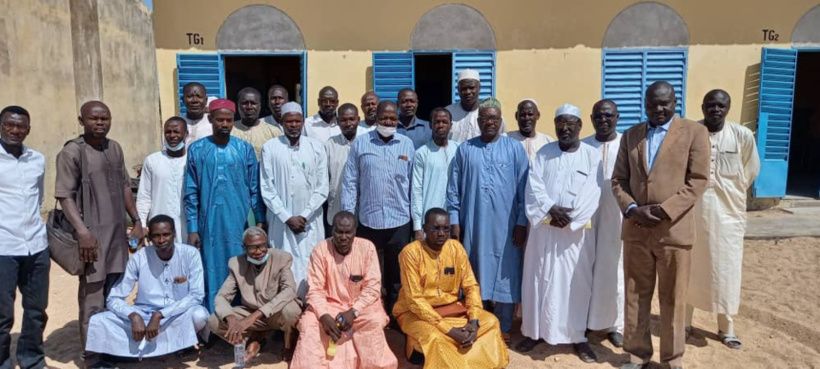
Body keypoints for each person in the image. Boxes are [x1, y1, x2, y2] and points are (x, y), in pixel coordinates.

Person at [612, 81, 709, 369]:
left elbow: (698, 181)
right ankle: (637, 354)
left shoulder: (695, 132)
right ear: (645, 103)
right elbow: (618, 179)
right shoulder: (631, 135)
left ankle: (672, 360)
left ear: (675, 102)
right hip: (637, 231)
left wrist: (665, 211)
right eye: (653, 103)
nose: (658, 108)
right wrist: (631, 208)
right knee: (635, 296)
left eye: (664, 103)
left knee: (673, 300)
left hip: (673, 232)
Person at [55, 100, 145, 367]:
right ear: (81, 120)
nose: (100, 123)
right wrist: (82, 232)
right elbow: (64, 196)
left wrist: (137, 220)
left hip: (117, 236)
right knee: (93, 296)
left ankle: (113, 347)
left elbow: (126, 187)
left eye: (105, 118)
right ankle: (92, 355)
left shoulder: (114, 148)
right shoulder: (72, 152)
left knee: (115, 294)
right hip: (92, 238)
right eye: (94, 118)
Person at [516, 104, 601, 362]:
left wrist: (571, 219)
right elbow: (533, 187)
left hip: (574, 236)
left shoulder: (591, 155)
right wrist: (550, 211)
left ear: (579, 126)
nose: (564, 128)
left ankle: (577, 336)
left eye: (570, 123)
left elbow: (593, 193)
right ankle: (534, 332)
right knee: (538, 279)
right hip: (545, 231)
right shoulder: (543, 154)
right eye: (560, 123)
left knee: (576, 284)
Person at [447, 99, 528, 342]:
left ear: (501, 120)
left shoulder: (514, 149)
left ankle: (503, 326)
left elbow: (525, 189)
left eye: (494, 118)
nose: (489, 122)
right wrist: (454, 220)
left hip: (507, 227)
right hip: (473, 225)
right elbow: (453, 190)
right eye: (484, 119)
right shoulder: (465, 150)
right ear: (478, 121)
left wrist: (522, 222)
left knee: (506, 271)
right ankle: (477, 322)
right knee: (474, 272)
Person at [686, 89, 760, 349]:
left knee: (726, 271)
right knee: (690, 267)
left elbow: (749, 171)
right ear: (703, 106)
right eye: (711, 105)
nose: (715, 110)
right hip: (693, 213)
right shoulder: (691, 132)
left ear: (728, 108)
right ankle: (684, 323)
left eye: (721, 105)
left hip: (728, 216)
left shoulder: (742, 135)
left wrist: (726, 193)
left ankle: (726, 328)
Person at [394, 208, 509, 369]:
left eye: (445, 229)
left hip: (453, 309)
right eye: (436, 228)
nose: (441, 233)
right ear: (425, 229)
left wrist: (474, 321)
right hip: (416, 313)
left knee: (491, 322)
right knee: (435, 337)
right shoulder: (410, 253)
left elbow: (471, 285)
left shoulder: (456, 248)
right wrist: (449, 330)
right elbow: (414, 300)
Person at [85, 215, 209, 361]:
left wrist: (160, 314)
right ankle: (166, 346)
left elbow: (196, 295)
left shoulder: (190, 254)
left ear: (174, 234)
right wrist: (133, 315)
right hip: (143, 315)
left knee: (199, 315)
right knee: (99, 320)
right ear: (149, 237)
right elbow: (113, 298)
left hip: (175, 315)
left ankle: (175, 345)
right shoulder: (139, 257)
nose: (161, 240)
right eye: (156, 236)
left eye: (166, 235)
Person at [184, 98, 265, 312]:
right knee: (212, 268)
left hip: (240, 222)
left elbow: (254, 189)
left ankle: (242, 319)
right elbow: (191, 191)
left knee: (242, 268)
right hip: (209, 224)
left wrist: (260, 220)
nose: (225, 124)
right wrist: (192, 228)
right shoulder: (197, 150)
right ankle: (214, 322)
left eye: (229, 120)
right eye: (220, 120)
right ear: (210, 119)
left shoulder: (244, 149)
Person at [290, 212, 398, 369]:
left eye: (348, 232)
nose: (343, 237)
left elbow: (373, 287)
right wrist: (324, 316)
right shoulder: (320, 250)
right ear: (332, 230)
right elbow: (315, 289)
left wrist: (353, 312)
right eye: (339, 232)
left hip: (361, 306)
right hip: (328, 304)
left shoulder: (367, 248)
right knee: (309, 323)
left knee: (374, 320)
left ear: (355, 232)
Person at [341, 101, 415, 316]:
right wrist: (348, 216)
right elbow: (350, 181)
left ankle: (393, 314)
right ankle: (368, 312)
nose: (388, 122)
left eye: (393, 118)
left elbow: (412, 184)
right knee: (367, 272)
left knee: (396, 274)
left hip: (399, 220)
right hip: (368, 220)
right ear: (376, 118)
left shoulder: (407, 144)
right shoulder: (361, 144)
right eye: (384, 118)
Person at [260, 102, 328, 297]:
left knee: (311, 263)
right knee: (283, 263)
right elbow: (267, 187)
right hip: (281, 222)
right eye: (289, 121)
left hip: (310, 221)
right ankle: (285, 311)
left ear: (302, 122)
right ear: (281, 122)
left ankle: (311, 307)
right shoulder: (270, 148)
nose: (293, 125)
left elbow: (322, 187)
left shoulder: (316, 147)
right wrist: (287, 217)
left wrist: (305, 216)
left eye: (297, 121)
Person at [0, 106, 50, 369]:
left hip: (36, 246)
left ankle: (31, 358)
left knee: (36, 310)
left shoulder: (37, 159)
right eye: (10, 124)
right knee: (2, 314)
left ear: (28, 129)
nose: (15, 130)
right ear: (1, 125)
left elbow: (38, 197)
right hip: (3, 248)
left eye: (21, 126)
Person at [209, 227, 302, 361]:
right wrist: (231, 318)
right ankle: (250, 340)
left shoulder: (282, 258)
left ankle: (289, 344)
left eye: (262, 246)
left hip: (275, 313)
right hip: (250, 312)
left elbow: (289, 290)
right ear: (244, 248)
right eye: (253, 248)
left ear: (267, 244)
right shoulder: (236, 264)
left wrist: (254, 317)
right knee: (214, 321)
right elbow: (221, 297)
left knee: (292, 311)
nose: (259, 251)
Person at [583, 99, 626, 347]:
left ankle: (614, 325)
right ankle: (588, 320)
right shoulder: (584, 146)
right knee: (586, 266)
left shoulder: (626, 145)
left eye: (608, 116)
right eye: (598, 116)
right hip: (587, 216)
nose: (603, 120)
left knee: (615, 269)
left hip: (616, 215)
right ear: (591, 119)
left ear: (617, 117)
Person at [137, 116, 189, 241]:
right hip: (160, 231)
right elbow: (144, 196)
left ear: (186, 134)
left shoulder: (192, 160)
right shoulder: (152, 161)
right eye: (168, 132)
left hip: (188, 228)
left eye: (176, 132)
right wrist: (142, 224)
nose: (172, 135)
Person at [411, 108, 459, 241]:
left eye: (444, 121)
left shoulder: (459, 149)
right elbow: (416, 190)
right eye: (437, 122)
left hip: (454, 221)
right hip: (430, 222)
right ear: (430, 125)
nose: (441, 125)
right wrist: (417, 227)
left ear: (451, 125)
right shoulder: (422, 153)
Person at [325, 104, 365, 235]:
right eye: (343, 120)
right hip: (337, 208)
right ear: (337, 122)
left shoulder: (367, 142)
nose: (348, 123)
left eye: (352, 119)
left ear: (358, 120)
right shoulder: (330, 145)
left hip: (364, 211)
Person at [446, 69, 506, 143]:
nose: (468, 92)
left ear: (479, 88)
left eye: (471, 88)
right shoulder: (448, 113)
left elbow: (502, 141)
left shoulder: (493, 115)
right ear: (458, 89)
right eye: (464, 88)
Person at [232, 87, 283, 158]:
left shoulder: (274, 132)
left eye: (253, 103)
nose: (249, 107)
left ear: (260, 106)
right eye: (244, 103)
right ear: (238, 106)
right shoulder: (230, 130)